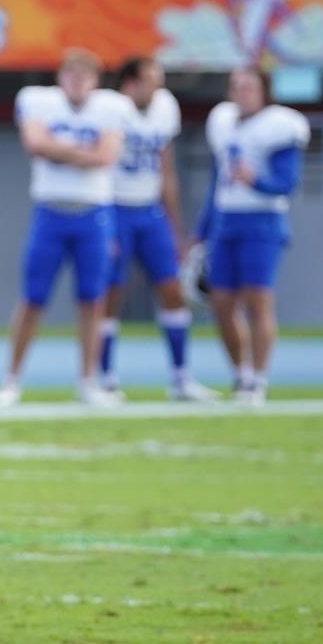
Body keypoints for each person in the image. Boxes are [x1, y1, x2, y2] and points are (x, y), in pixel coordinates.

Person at [0, 50, 128, 407]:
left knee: (92, 299)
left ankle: (88, 380)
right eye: (72, 74)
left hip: (94, 213)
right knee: (33, 298)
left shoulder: (111, 107)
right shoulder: (39, 101)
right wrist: (81, 150)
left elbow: (106, 156)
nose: (77, 81)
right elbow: (35, 144)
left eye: (85, 75)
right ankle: (11, 380)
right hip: (50, 211)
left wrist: (61, 149)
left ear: (96, 81)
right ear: (60, 76)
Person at [100, 57, 216, 402]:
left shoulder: (165, 108)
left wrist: (174, 225)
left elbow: (166, 170)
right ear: (130, 82)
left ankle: (181, 377)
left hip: (149, 210)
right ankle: (105, 377)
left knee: (172, 290)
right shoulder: (111, 109)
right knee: (111, 294)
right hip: (115, 206)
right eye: (151, 79)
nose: (158, 87)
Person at [200, 67, 309, 406]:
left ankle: (259, 381)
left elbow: (287, 183)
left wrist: (255, 180)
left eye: (248, 86)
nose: (241, 92)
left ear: (264, 90)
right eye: (236, 86)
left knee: (257, 301)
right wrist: (201, 231)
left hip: (262, 221)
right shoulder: (222, 122)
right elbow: (217, 181)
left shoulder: (280, 126)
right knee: (220, 303)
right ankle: (241, 375)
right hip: (226, 220)